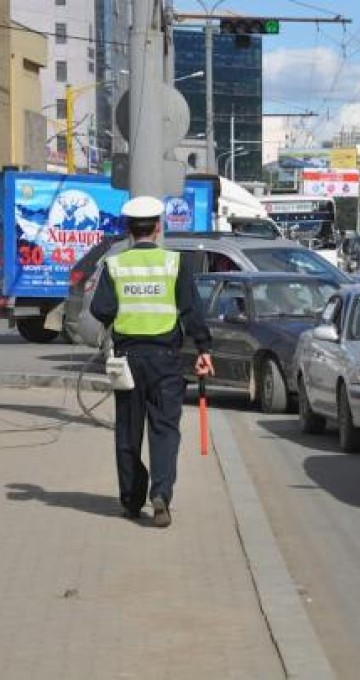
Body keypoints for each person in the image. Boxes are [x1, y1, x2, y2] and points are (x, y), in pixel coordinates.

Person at [90, 196, 214, 528]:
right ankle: (161, 494)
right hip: (166, 361)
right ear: (158, 227)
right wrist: (203, 349)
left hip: (128, 362)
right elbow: (191, 310)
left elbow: (100, 310)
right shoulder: (175, 263)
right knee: (164, 430)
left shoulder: (115, 266)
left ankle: (132, 500)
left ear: (129, 229)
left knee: (128, 433)